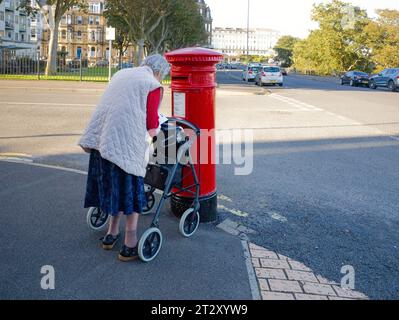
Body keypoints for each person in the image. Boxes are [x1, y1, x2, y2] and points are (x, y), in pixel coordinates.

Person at [79, 54, 170, 262]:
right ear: (158, 72)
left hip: (100, 140)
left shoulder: (122, 73)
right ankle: (130, 243)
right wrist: (158, 130)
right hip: (124, 144)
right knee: (130, 190)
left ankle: (111, 234)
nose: (161, 80)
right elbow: (151, 124)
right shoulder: (152, 84)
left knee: (113, 188)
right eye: (162, 76)